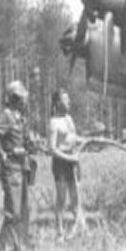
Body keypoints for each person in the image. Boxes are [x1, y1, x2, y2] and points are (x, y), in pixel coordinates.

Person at [0, 80, 36, 251]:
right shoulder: (7, 115)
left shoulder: (20, 117)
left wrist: (32, 144)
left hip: (22, 168)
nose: (25, 101)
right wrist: (2, 155)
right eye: (22, 98)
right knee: (13, 211)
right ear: (15, 98)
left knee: (23, 210)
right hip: (11, 168)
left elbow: (25, 141)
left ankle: (19, 247)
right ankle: (0, 249)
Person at [48, 89, 86, 239]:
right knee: (62, 200)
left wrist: (83, 140)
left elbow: (74, 138)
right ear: (58, 103)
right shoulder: (53, 122)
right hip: (61, 164)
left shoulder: (69, 119)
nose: (69, 101)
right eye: (65, 99)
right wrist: (69, 159)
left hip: (73, 161)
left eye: (69, 99)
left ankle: (80, 230)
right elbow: (52, 149)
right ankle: (59, 233)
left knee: (76, 197)